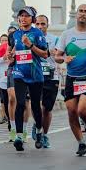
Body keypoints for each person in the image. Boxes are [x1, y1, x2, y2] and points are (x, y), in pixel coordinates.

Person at [55, 4, 86, 157]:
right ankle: (81, 143)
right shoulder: (66, 34)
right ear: (76, 15)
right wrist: (64, 58)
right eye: (81, 11)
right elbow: (57, 57)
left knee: (82, 110)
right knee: (71, 111)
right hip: (72, 77)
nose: (83, 14)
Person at [7, 6, 48, 151]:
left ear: (33, 19)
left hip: (35, 75)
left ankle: (38, 132)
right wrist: (10, 57)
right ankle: (19, 136)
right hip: (19, 73)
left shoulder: (38, 33)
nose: (23, 18)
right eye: (21, 15)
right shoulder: (15, 35)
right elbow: (13, 51)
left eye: (26, 16)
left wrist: (30, 45)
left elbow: (45, 54)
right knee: (20, 103)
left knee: (36, 106)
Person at [33, 14, 60, 149]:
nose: (40, 27)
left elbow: (59, 56)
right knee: (36, 104)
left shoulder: (55, 39)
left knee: (47, 109)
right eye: (37, 24)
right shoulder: (29, 38)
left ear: (47, 26)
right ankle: (37, 124)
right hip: (34, 76)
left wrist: (56, 54)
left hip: (51, 76)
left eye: (43, 24)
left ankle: (45, 134)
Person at [6, 22, 31, 142]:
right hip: (13, 68)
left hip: (27, 69)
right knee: (12, 97)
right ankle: (13, 129)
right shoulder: (12, 36)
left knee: (25, 102)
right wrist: (10, 55)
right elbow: (7, 53)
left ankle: (24, 130)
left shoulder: (32, 34)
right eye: (21, 18)